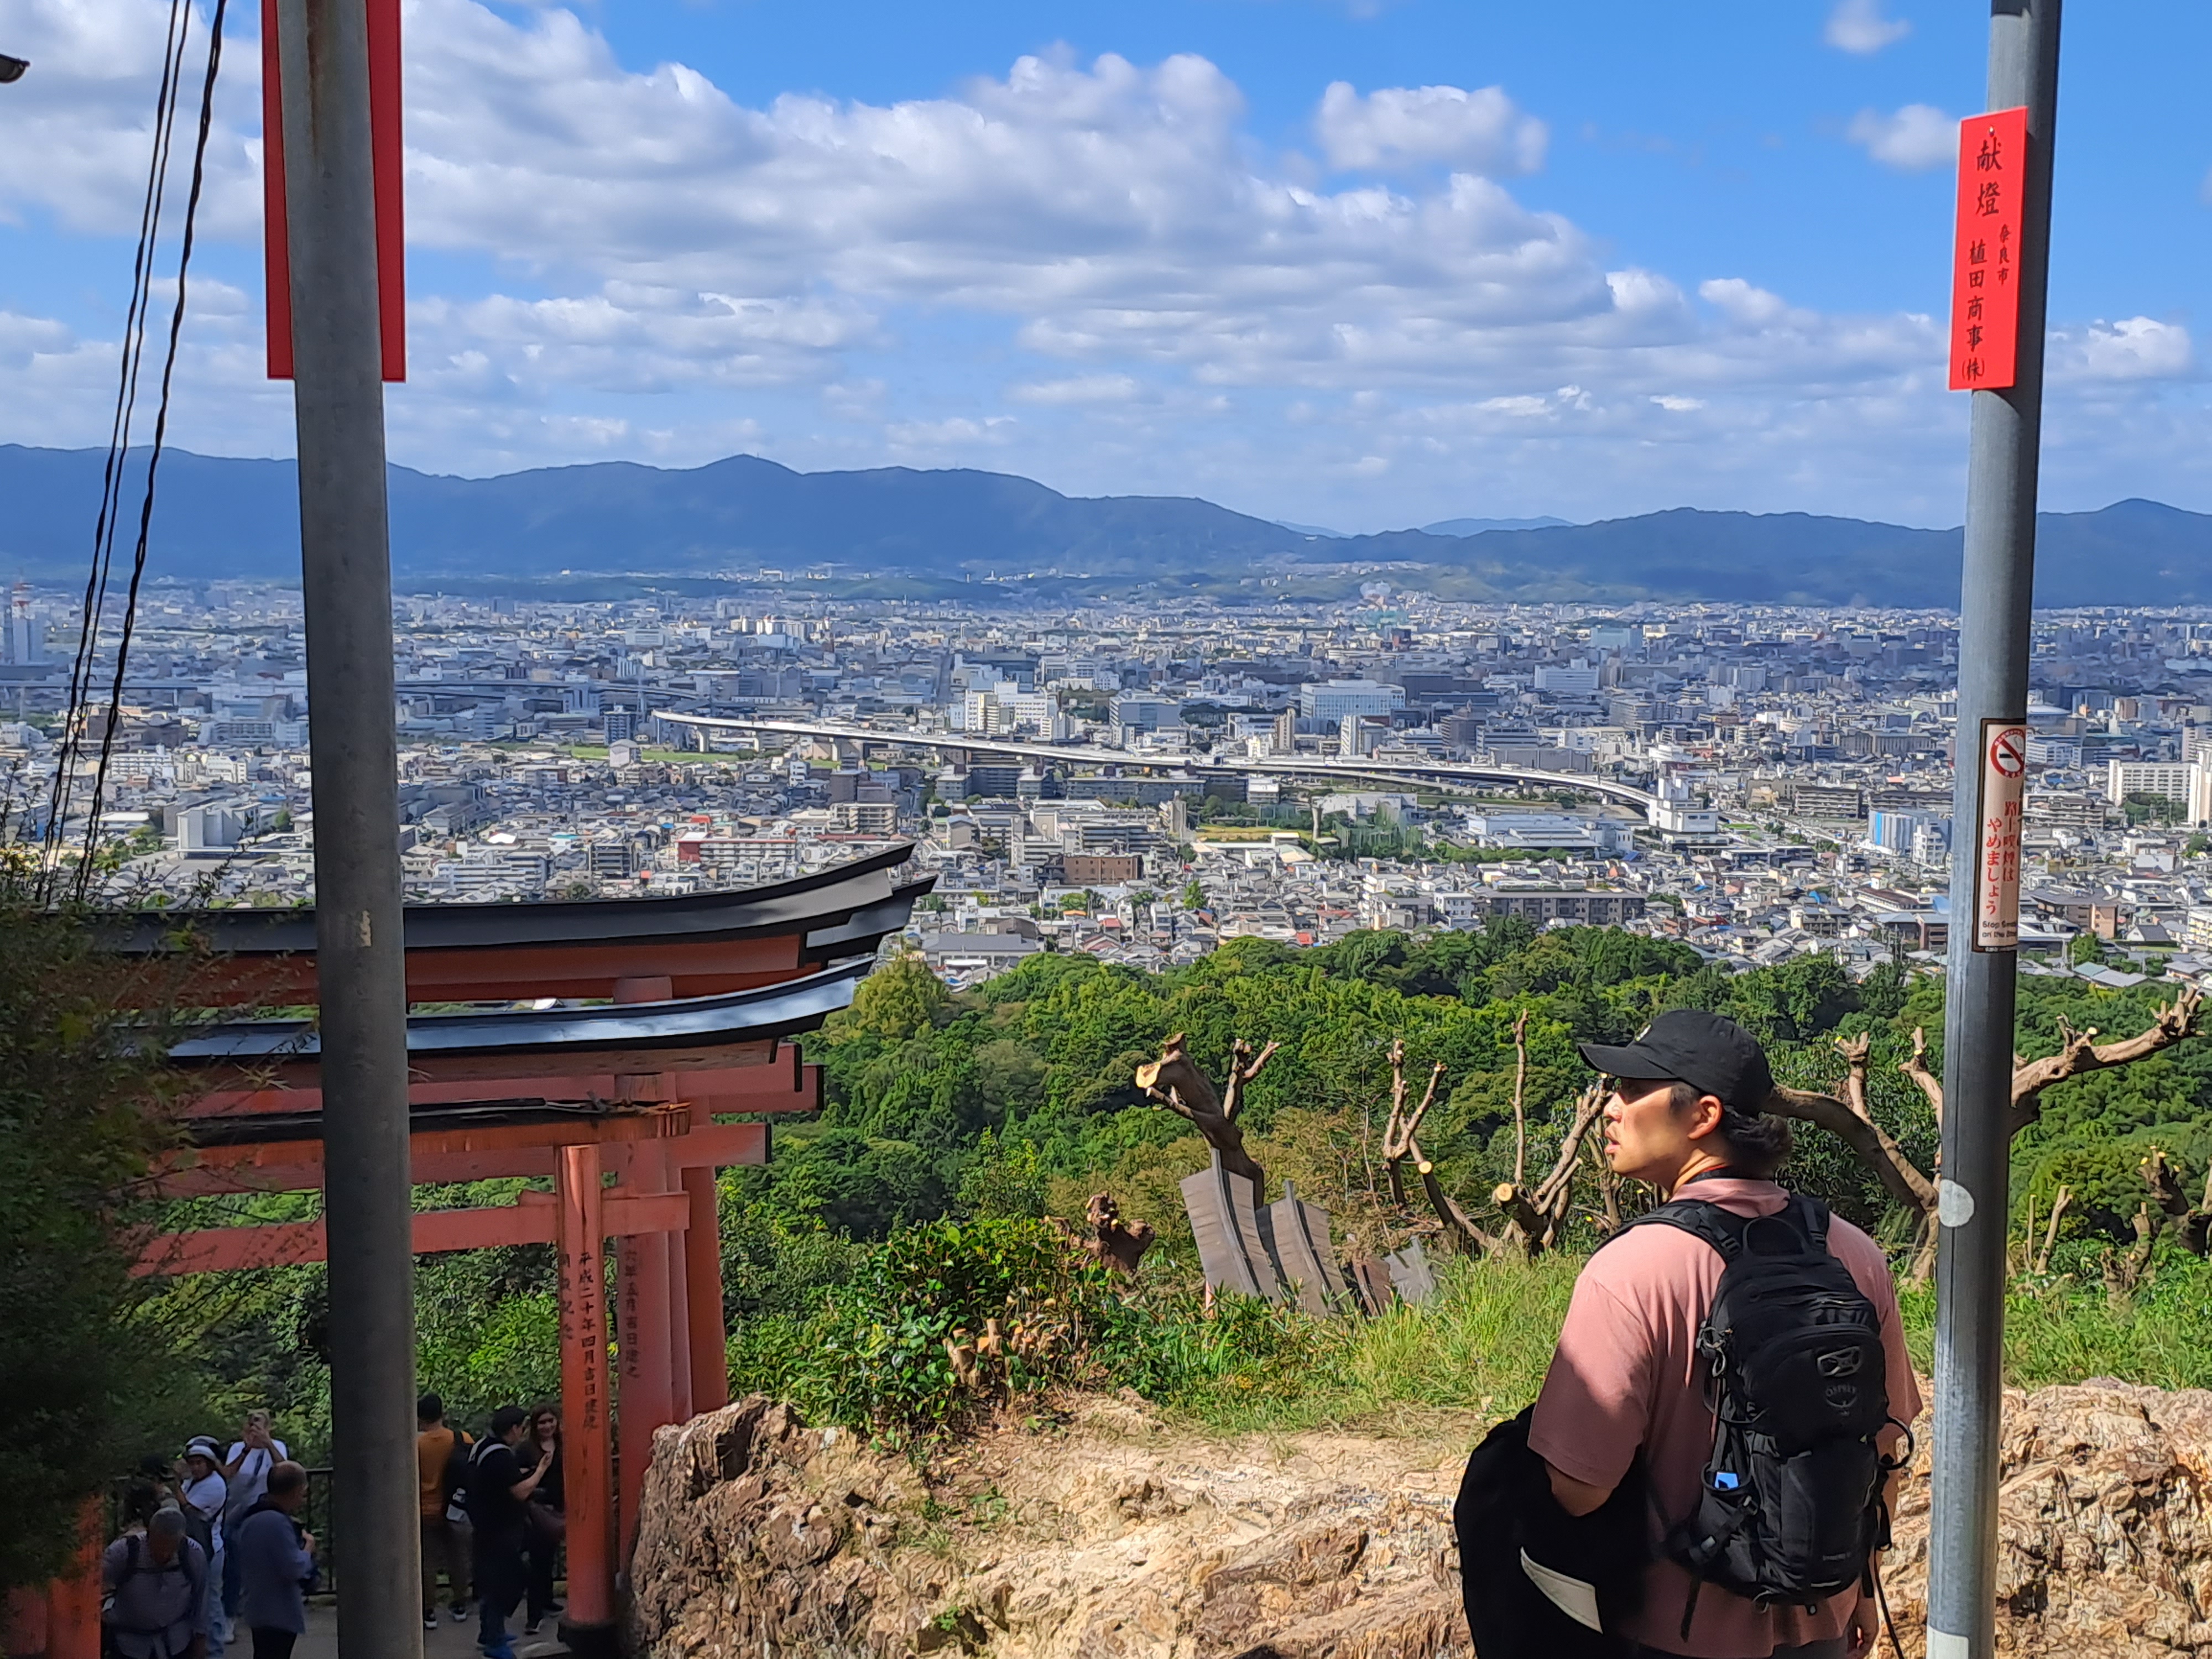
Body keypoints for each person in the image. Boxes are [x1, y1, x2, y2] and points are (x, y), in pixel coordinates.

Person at [1522, 1010, 1921, 1659]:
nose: (1610, 1109)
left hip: (1674, 1633)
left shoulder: (1630, 1270)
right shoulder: (1853, 1252)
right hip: (1822, 1618)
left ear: (1702, 1116)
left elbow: (1577, 1486)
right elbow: (1883, 1448)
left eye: (1630, 1090)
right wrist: (1865, 1593)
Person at [468, 1406, 556, 1659]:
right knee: (504, 1583)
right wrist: (539, 1472)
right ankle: (495, 1641)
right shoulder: (502, 1456)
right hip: (500, 1529)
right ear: (515, 1428)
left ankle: (489, 1632)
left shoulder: (482, 1447)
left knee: (492, 1582)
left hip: (485, 1525)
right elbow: (519, 1491)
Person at [231, 1461, 315, 1659]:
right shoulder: (276, 1522)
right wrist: (308, 1550)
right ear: (296, 1491)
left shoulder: (251, 1517)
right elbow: (293, 1568)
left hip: (258, 1605)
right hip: (278, 1611)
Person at [102, 1509, 209, 1659]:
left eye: (171, 1548)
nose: (164, 1554)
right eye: (159, 1546)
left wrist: (200, 1643)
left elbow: (201, 1601)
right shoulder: (123, 1552)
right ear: (149, 1534)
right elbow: (97, 1589)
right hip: (129, 1645)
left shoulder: (192, 1554)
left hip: (176, 1643)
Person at [217, 1413, 288, 1627]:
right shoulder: (237, 1448)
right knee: (234, 1564)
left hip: (265, 1509)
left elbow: (285, 1470)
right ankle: (230, 1615)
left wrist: (267, 1444)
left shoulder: (277, 1446)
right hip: (238, 1510)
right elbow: (230, 1473)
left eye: (259, 1422)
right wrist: (247, 1449)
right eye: (250, 1422)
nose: (253, 1427)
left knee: (267, 1561)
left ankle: (265, 1610)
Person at [418, 1392, 475, 1629]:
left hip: (425, 1509)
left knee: (428, 1562)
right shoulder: (462, 1439)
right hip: (457, 1508)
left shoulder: (416, 1444)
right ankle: (460, 1603)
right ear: (443, 1413)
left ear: (420, 1417)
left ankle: (428, 1611)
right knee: (459, 1559)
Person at [178, 1439, 230, 1658]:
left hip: (211, 1548)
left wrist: (174, 1483)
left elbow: (187, 1507)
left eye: (200, 1463)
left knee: (212, 1602)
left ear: (210, 1463)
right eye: (192, 1463)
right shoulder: (192, 1482)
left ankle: (215, 1650)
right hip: (197, 1546)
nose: (195, 1467)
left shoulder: (215, 1485)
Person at [520, 1404, 566, 1635]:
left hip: (559, 1508)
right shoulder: (525, 1450)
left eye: (551, 1421)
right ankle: (534, 1616)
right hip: (536, 1512)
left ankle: (547, 1600)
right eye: (542, 1422)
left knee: (549, 1559)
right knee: (538, 1562)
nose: (547, 1426)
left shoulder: (564, 1445)